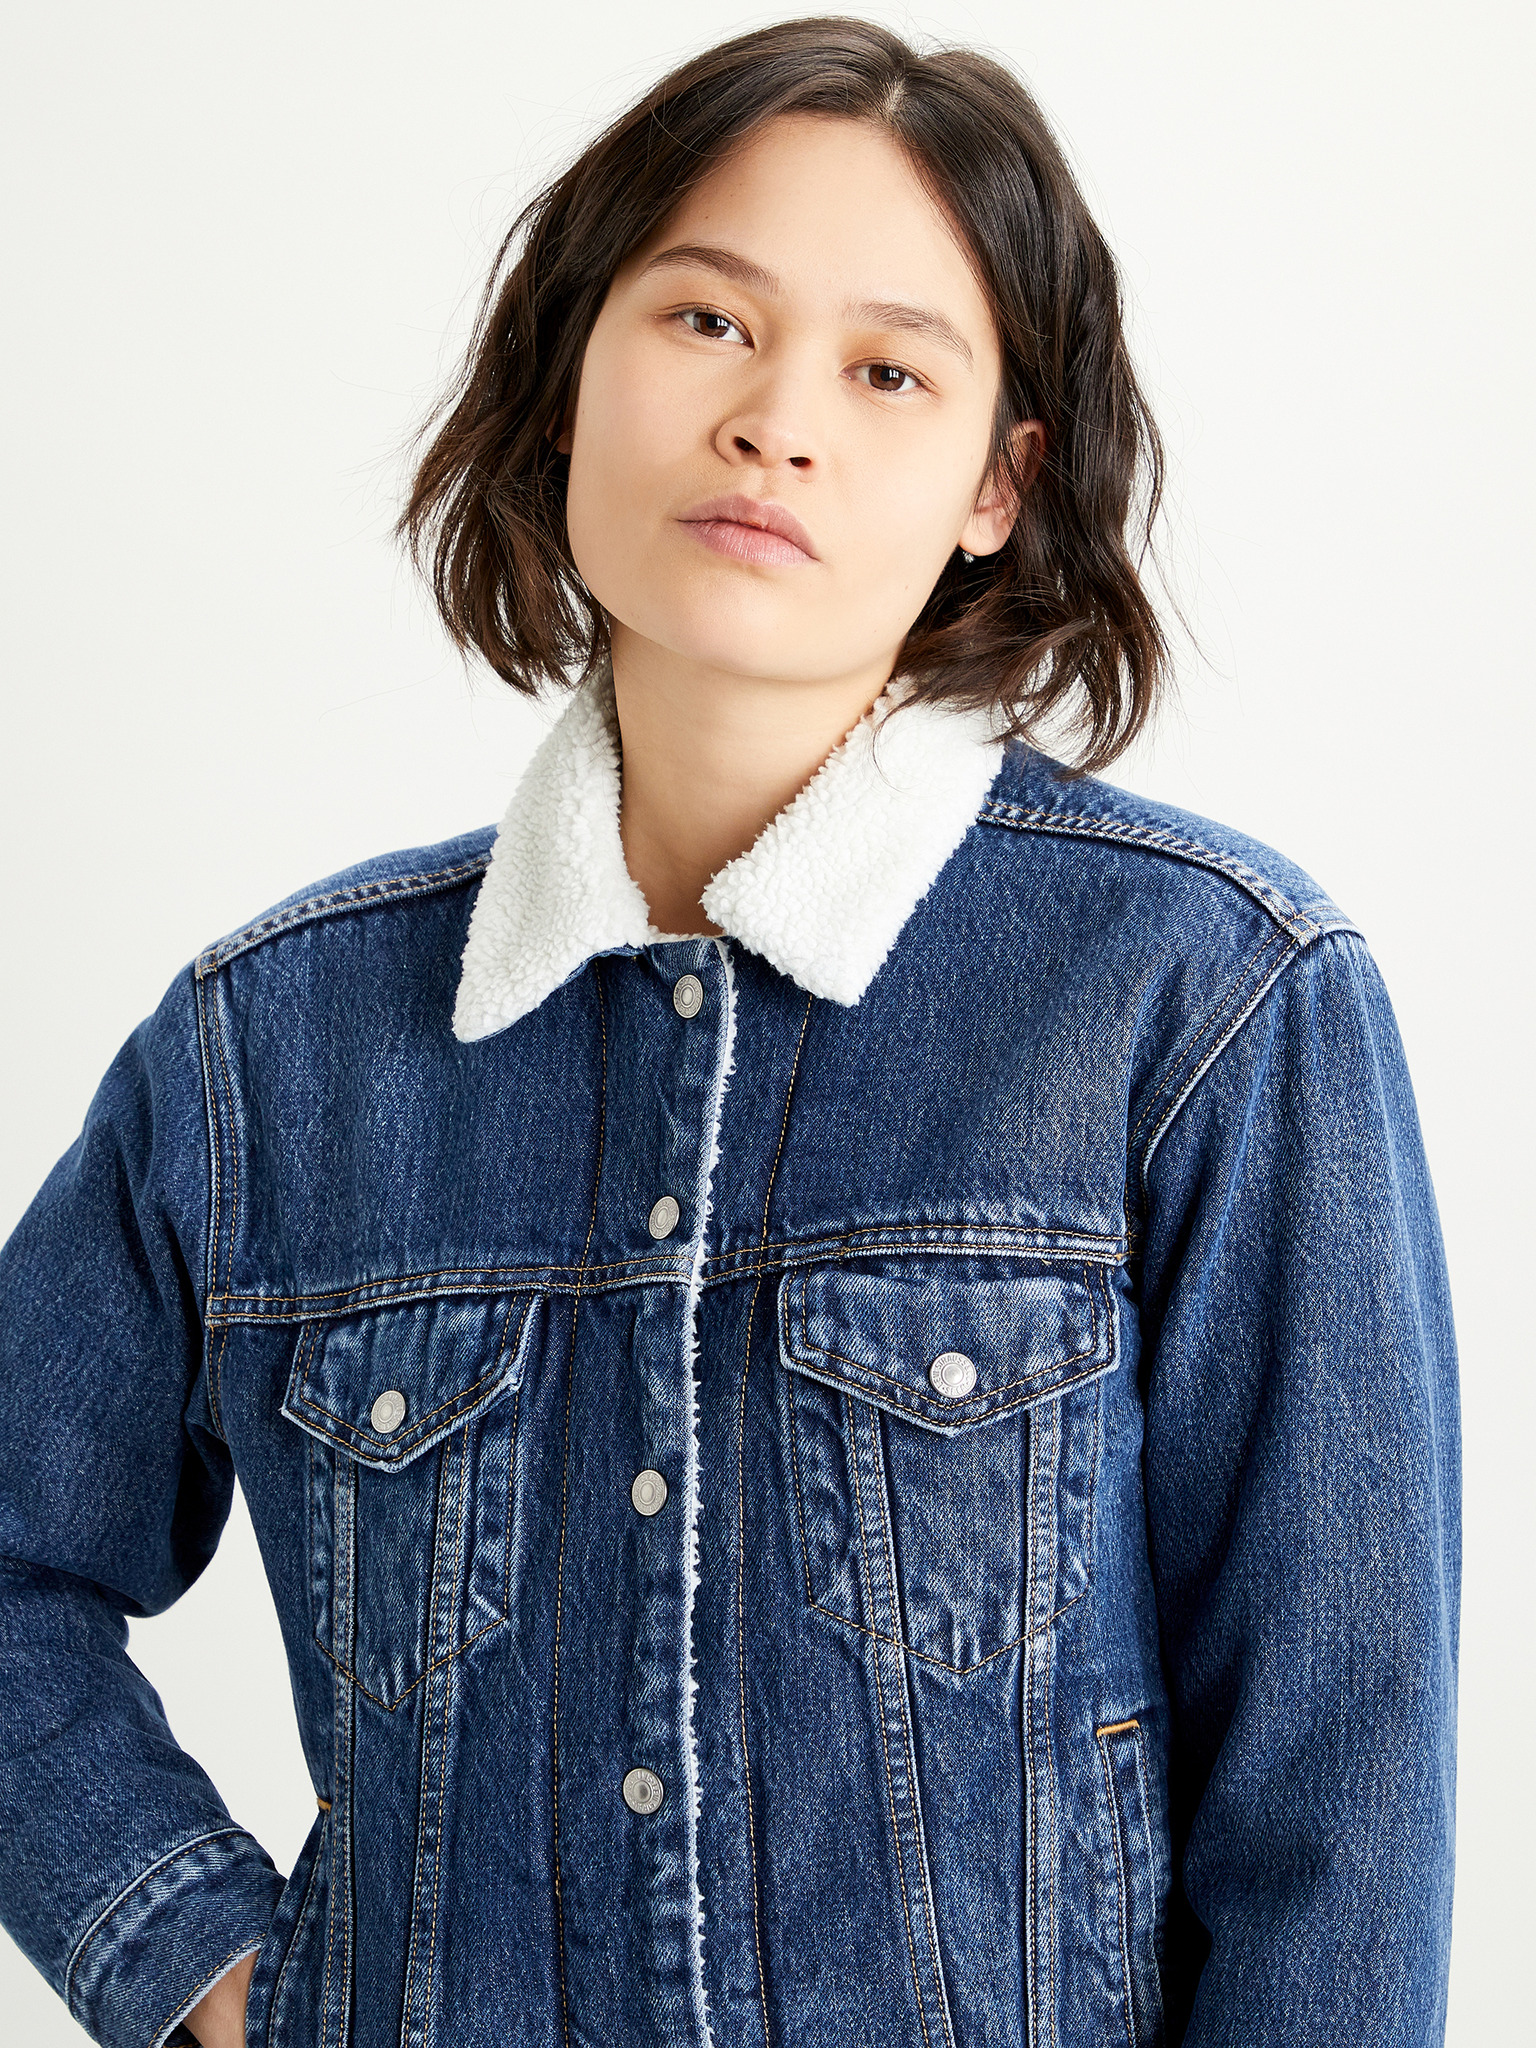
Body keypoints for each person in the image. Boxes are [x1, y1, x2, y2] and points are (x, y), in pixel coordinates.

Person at [0, 16, 1459, 2048]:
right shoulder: (272, 1054)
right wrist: (215, 1978)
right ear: (568, 373)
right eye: (708, 320)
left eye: (890, 371)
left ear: (998, 484)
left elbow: (1337, 1809)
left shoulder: (1207, 1001)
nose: (777, 423)